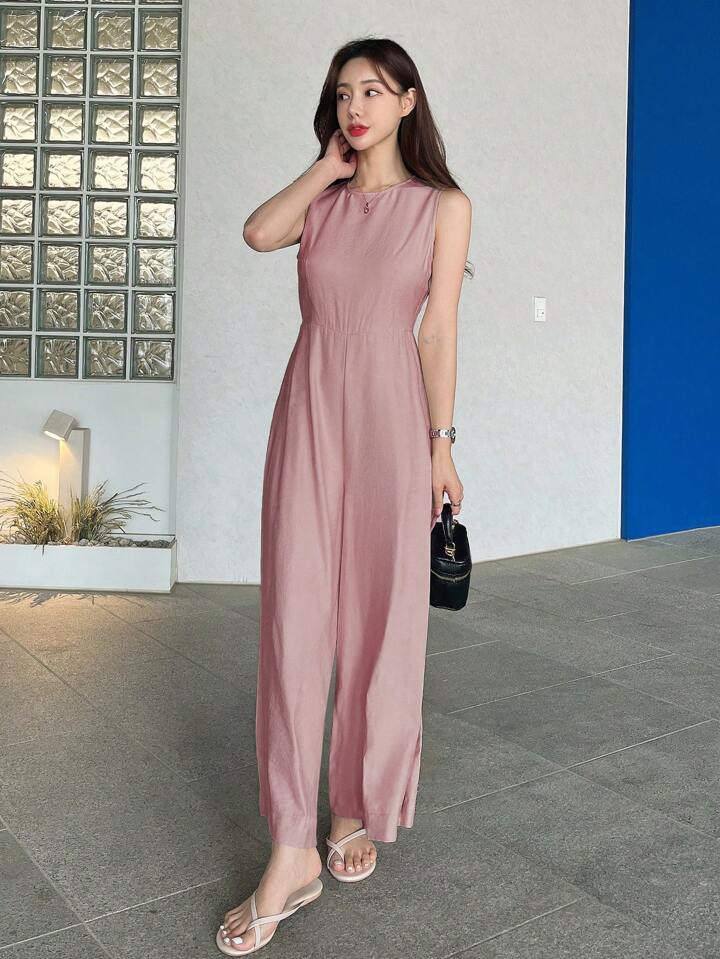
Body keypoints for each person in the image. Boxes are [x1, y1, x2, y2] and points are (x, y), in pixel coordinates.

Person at [217, 37, 472, 956]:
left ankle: (353, 805)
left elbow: (437, 330)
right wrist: (327, 165)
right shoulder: (321, 203)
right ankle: (291, 848)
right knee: (295, 619)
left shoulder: (442, 207)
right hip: (311, 414)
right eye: (342, 94)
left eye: (372, 91)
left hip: (393, 425)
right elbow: (257, 232)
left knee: (378, 619)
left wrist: (442, 446)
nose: (355, 106)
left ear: (409, 100)